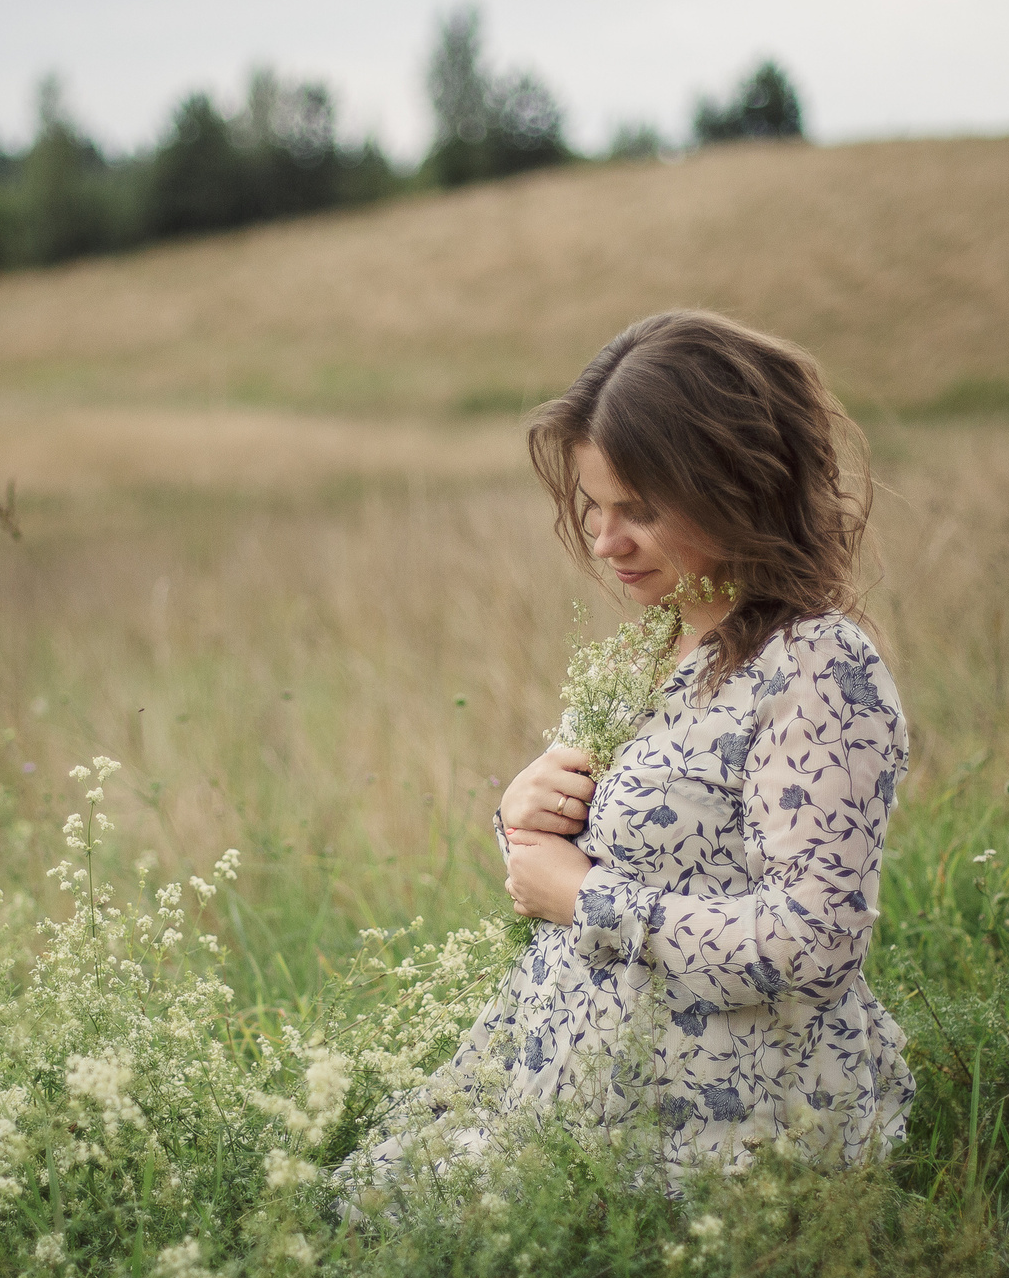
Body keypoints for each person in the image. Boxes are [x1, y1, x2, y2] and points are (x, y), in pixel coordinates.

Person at [358, 309, 913, 1183]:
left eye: (641, 511)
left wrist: (590, 898)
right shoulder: (650, 651)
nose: (605, 542)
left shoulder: (817, 669)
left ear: (738, 490)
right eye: (595, 506)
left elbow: (814, 945)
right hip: (570, 1102)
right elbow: (584, 866)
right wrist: (521, 818)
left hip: (726, 1137)